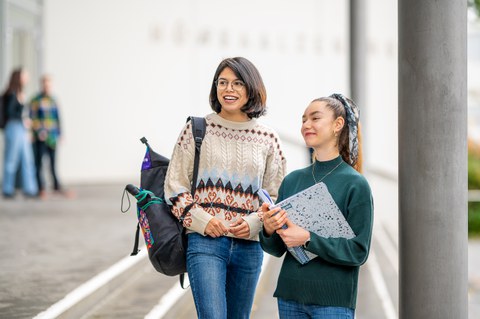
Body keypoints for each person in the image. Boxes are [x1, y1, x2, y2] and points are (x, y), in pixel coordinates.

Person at [164, 57, 286, 319]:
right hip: (205, 242)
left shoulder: (268, 138)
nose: (228, 89)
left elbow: (275, 196)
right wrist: (202, 220)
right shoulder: (197, 129)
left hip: (249, 247)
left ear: (251, 88)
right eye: (223, 82)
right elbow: (174, 186)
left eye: (237, 83)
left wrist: (255, 222)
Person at [259, 94, 373, 319]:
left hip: (333, 301)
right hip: (290, 295)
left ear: (337, 125)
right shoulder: (292, 180)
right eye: (303, 120)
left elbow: (359, 251)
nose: (306, 125)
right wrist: (270, 229)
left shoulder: (355, 184)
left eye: (315, 118)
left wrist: (308, 238)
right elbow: (275, 249)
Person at [1, 68, 38, 198]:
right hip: (14, 128)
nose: (27, 78)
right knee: (11, 159)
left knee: (27, 159)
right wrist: (21, 105)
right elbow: (10, 113)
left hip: (22, 129)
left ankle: (30, 189)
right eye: (25, 75)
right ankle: (7, 189)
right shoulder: (11, 93)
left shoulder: (21, 92)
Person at [29, 74, 64, 197]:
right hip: (40, 137)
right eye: (45, 84)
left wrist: (60, 133)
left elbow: (57, 118)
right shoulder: (35, 100)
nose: (47, 87)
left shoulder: (53, 100)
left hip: (52, 137)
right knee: (39, 163)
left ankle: (56, 186)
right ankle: (40, 187)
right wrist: (37, 132)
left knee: (53, 163)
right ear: (41, 85)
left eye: (49, 84)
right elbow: (32, 118)